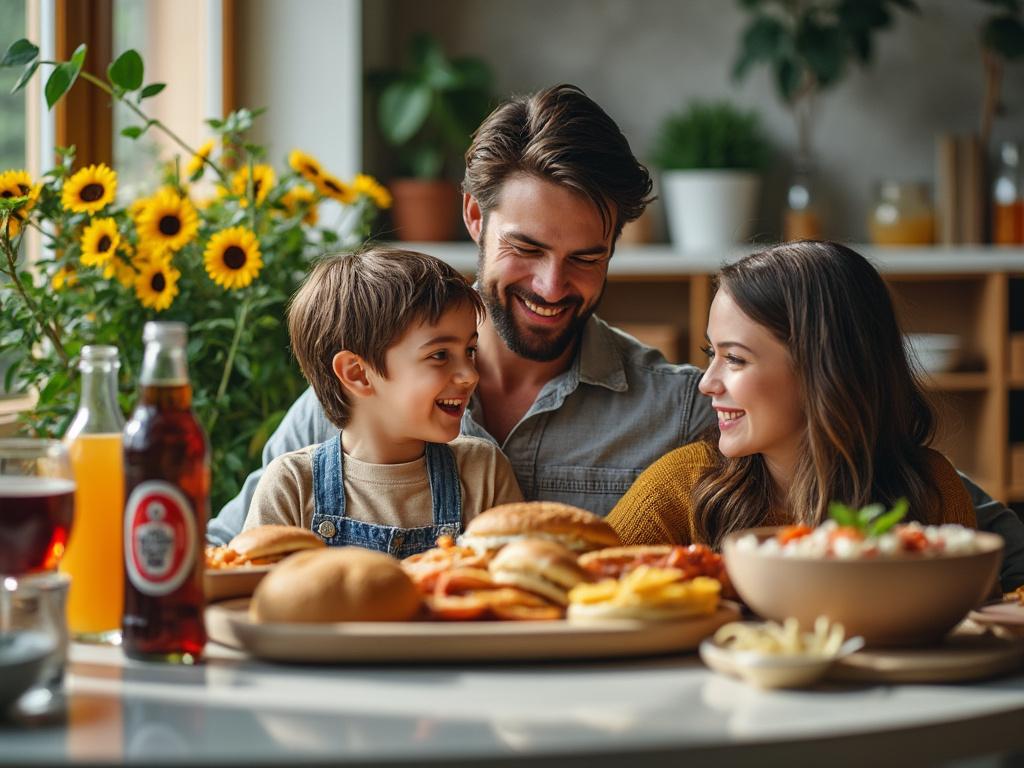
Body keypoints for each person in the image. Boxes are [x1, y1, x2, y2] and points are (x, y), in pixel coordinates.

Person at [208, 83, 1024, 592]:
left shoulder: (681, 408)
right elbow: (222, 562)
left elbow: (891, 475)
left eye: (585, 258)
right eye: (527, 250)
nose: (551, 286)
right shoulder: (354, 406)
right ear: (474, 217)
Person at [607, 241, 975, 548]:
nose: (707, 383)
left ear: (825, 370)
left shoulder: (933, 492)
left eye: (734, 358)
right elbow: (581, 589)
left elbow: (972, 610)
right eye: (711, 353)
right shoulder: (680, 488)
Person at [241, 248, 522, 557]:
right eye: (440, 355)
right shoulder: (291, 484)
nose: (470, 375)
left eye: (470, 350)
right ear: (357, 373)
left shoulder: (483, 471)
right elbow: (255, 584)